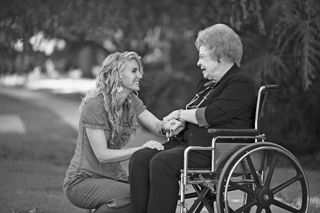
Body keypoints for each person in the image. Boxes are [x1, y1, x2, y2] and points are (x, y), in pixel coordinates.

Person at [129, 23, 257, 213]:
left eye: (203, 57)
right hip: (189, 145)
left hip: (215, 151)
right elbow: (194, 112)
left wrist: (180, 114)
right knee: (140, 158)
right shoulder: (208, 83)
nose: (198, 63)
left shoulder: (241, 82)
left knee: (162, 162)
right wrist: (180, 123)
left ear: (220, 57)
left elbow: (212, 114)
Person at [63, 51, 183, 213]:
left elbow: (156, 125)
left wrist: (171, 125)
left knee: (148, 192)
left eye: (139, 70)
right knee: (135, 196)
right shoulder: (95, 106)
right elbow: (102, 155)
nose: (140, 75)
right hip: (82, 181)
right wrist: (141, 149)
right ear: (118, 74)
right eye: (134, 71)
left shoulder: (130, 101)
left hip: (112, 177)